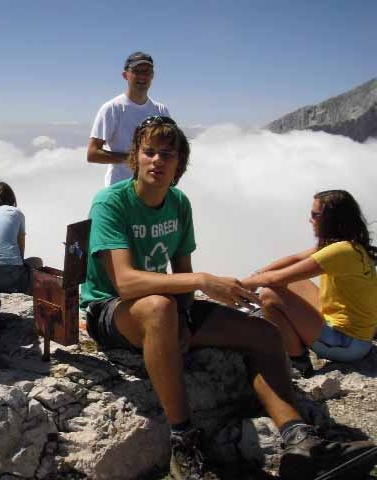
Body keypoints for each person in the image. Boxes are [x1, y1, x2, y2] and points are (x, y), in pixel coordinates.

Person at [80, 116, 374, 480]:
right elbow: (124, 282)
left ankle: (300, 440)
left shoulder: (178, 203)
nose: (157, 160)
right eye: (149, 152)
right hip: (110, 310)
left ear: (179, 164)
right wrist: (204, 281)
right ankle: (183, 442)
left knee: (263, 334)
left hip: (166, 308)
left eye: (167, 154)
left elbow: (180, 274)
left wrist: (183, 317)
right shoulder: (111, 202)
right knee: (159, 307)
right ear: (135, 157)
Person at [242, 190, 377, 377]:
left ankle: (298, 361)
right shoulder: (349, 246)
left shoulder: (341, 251)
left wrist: (241, 285)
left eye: (315, 215)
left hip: (347, 344)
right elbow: (295, 259)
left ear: (330, 218)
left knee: (269, 294)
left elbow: (276, 279)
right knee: (293, 281)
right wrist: (257, 275)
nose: (310, 220)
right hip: (354, 336)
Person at [87, 51, 171, 187]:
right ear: (125, 75)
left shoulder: (161, 111)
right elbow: (92, 153)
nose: (142, 76)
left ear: (152, 76)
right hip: (120, 189)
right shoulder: (112, 109)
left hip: (152, 190)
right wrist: (132, 158)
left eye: (147, 71)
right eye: (137, 71)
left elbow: (170, 148)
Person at [0, 182, 42, 294]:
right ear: (11, 200)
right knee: (37, 261)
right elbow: (20, 253)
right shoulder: (15, 213)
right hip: (9, 275)